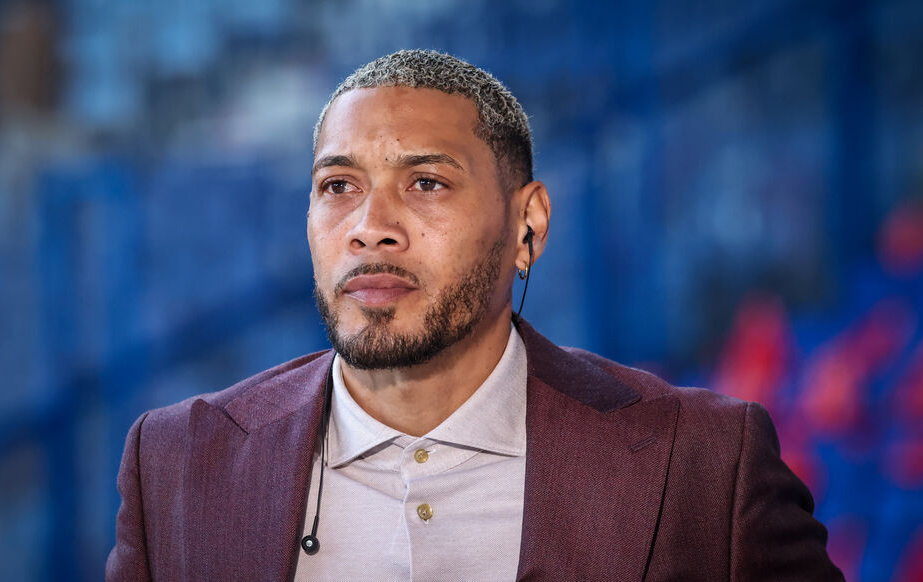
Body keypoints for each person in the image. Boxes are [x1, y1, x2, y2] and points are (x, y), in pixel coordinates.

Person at [107, 49, 843, 581]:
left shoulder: (705, 463)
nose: (369, 226)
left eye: (425, 182)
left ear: (528, 227)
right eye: (338, 185)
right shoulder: (176, 464)